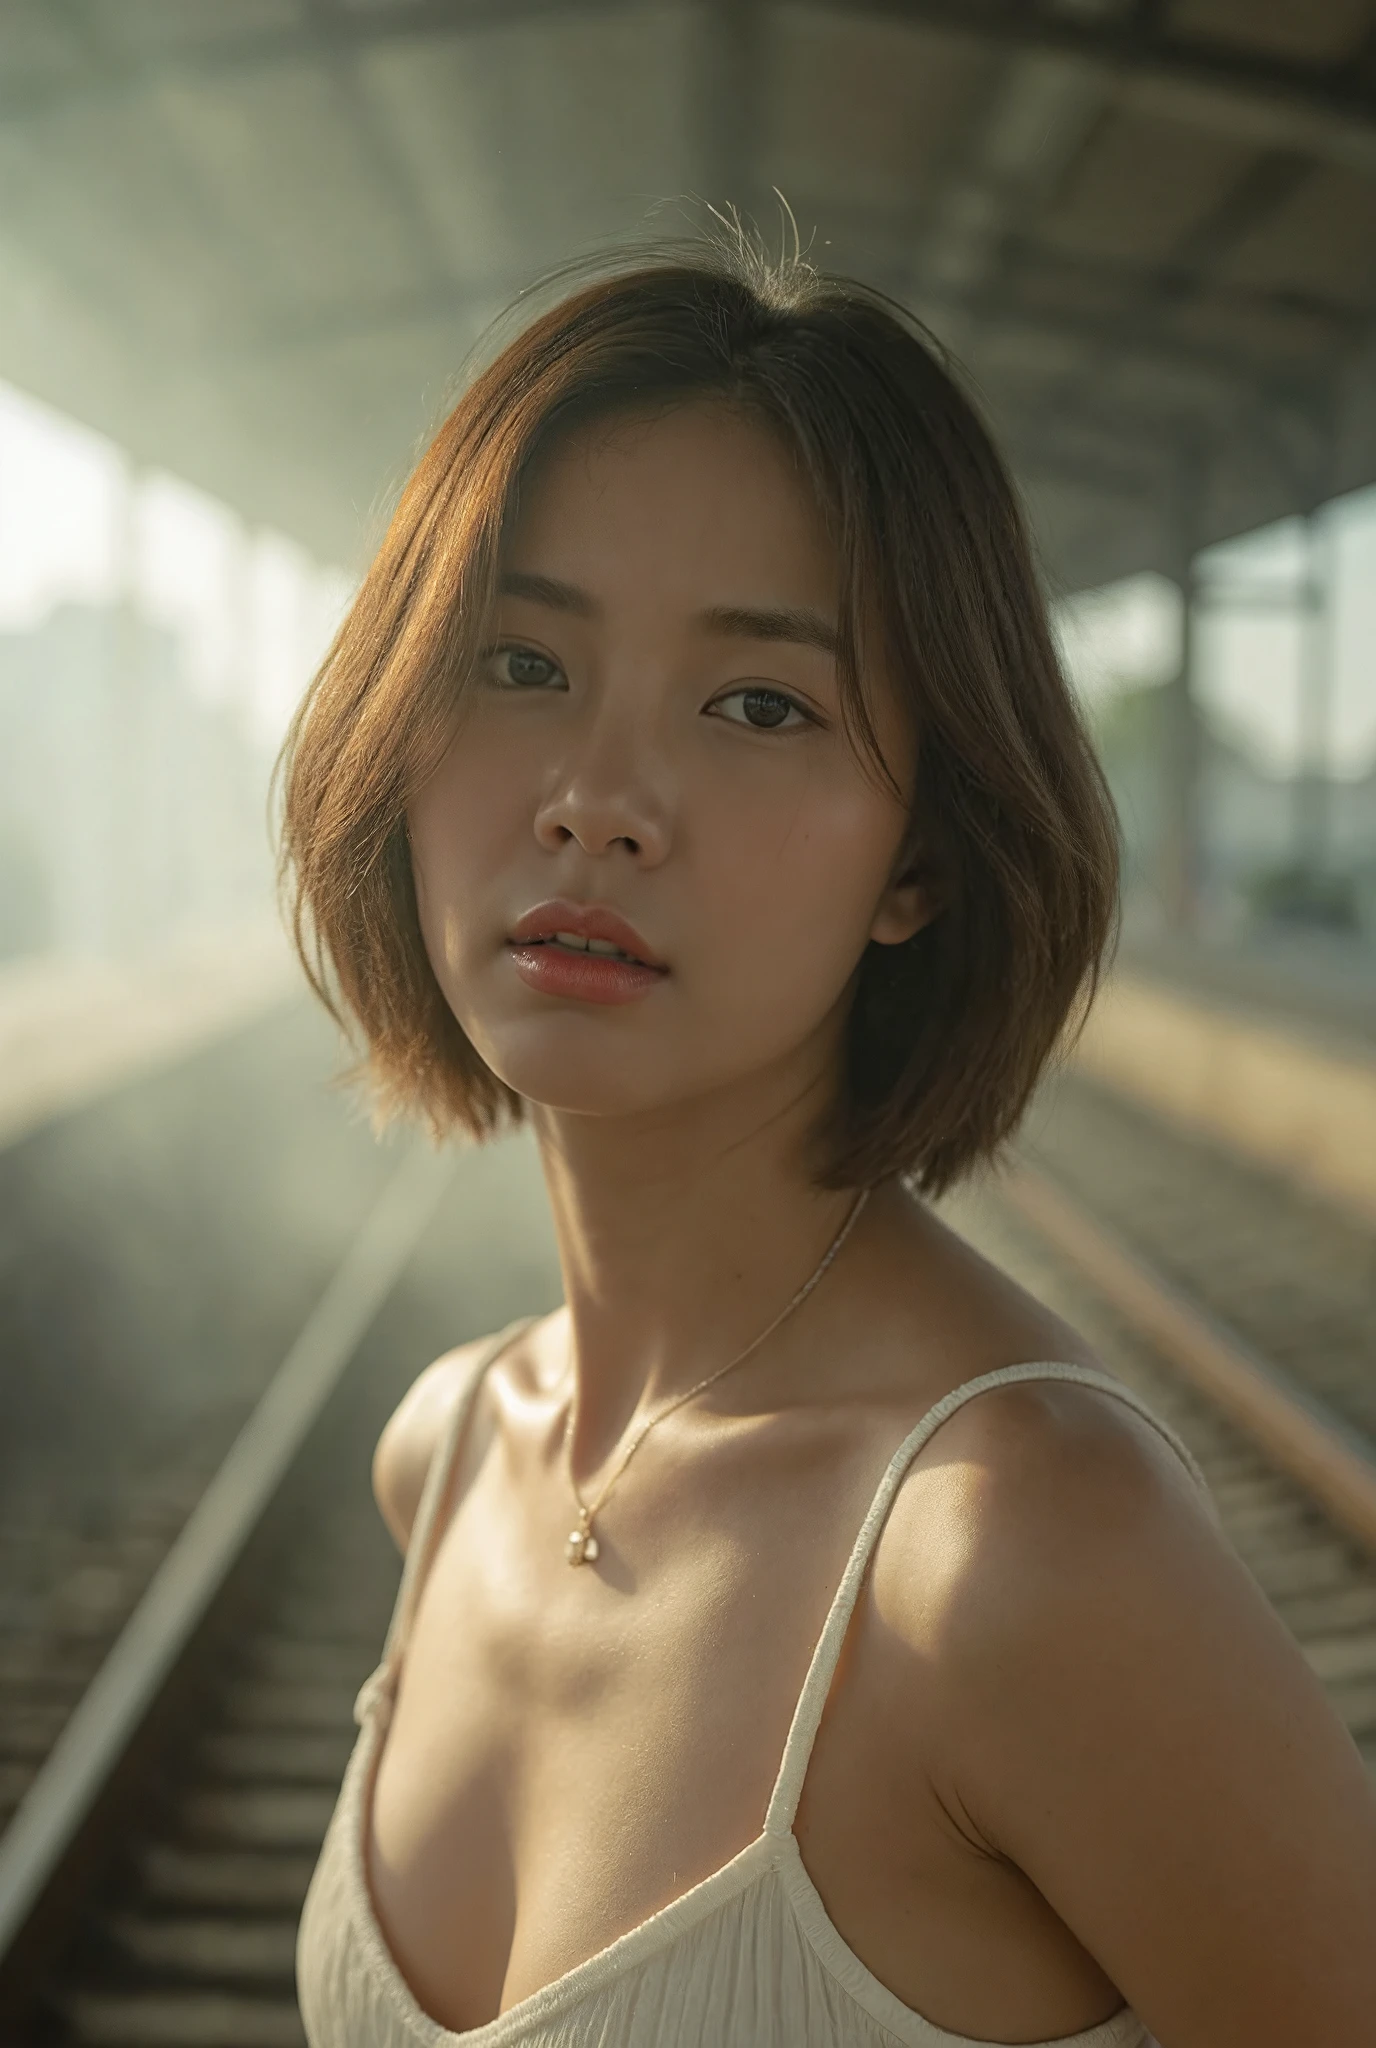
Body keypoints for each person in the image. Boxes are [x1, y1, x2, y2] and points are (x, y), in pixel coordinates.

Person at [283, 242, 1376, 2047]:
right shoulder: (449, 1450)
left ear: (921, 860)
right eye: (519, 659)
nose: (597, 798)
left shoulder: (1021, 1551)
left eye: (759, 705)